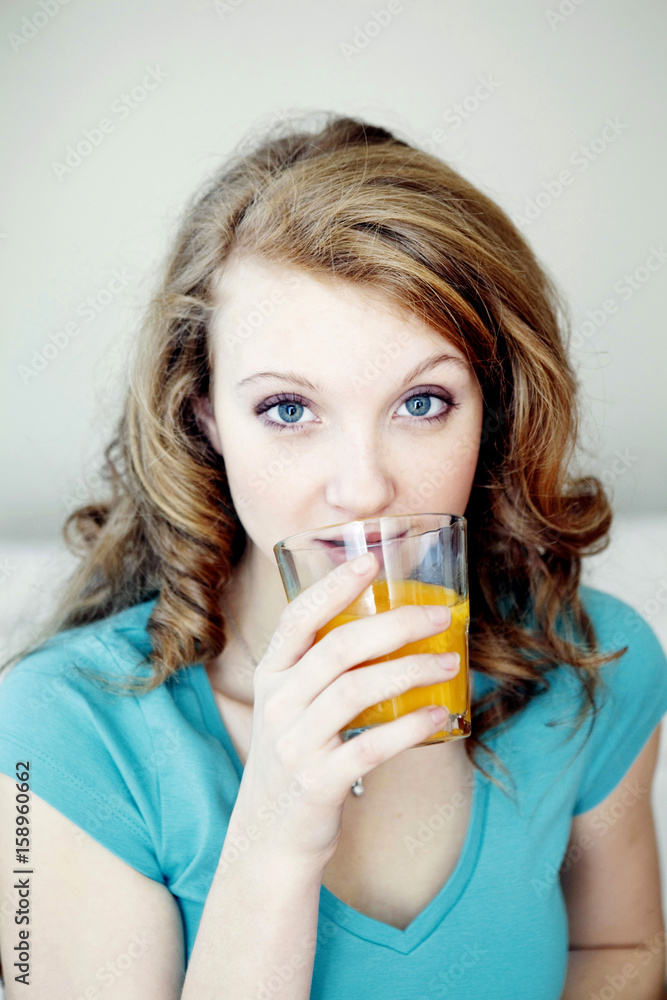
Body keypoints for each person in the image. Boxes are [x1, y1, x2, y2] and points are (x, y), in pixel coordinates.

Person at [0, 112, 665, 1000]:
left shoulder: (591, 667)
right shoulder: (58, 736)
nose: (362, 488)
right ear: (206, 422)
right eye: (286, 409)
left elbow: (617, 952)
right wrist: (274, 827)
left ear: (494, 410)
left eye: (423, 402)